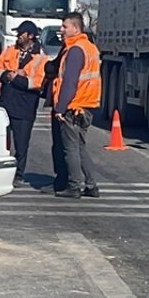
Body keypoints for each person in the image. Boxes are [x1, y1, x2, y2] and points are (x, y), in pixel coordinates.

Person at [52, 12, 101, 198]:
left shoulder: (76, 50)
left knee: (71, 148)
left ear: (76, 28)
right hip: (86, 105)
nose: (61, 30)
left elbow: (70, 82)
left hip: (74, 106)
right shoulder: (89, 48)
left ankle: (74, 186)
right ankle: (91, 185)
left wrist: (61, 108)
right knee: (80, 147)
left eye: (65, 26)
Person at [0, 21, 47, 186]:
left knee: (21, 143)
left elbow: (38, 83)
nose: (18, 36)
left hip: (25, 105)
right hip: (6, 102)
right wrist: (8, 75)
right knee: (0, 141)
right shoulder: (11, 51)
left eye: (21, 33)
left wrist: (18, 79)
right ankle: (0, 171)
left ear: (30, 36)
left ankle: (19, 173)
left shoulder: (41, 58)